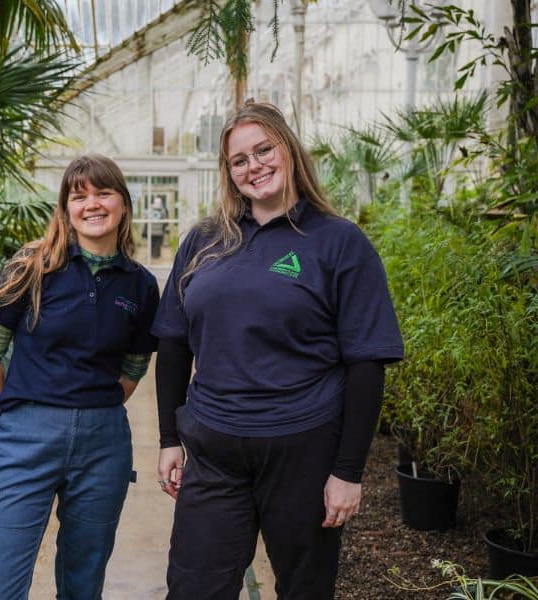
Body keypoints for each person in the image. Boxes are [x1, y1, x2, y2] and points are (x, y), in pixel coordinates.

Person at [151, 101, 404, 600]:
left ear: (288, 150)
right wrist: (167, 438)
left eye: (264, 149)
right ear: (229, 173)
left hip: (303, 448)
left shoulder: (338, 242)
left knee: (305, 589)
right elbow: (174, 343)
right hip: (215, 447)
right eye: (239, 160)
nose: (254, 166)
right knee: (193, 585)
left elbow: (366, 363)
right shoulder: (205, 241)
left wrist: (347, 472)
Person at [0, 154, 159, 600]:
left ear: (123, 205)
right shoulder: (31, 267)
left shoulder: (140, 285)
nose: (92, 203)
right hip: (24, 439)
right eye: (79, 195)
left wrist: (97, 409)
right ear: (66, 209)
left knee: (82, 584)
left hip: (103, 445)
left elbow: (135, 364)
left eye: (103, 192)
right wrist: (12, 419)